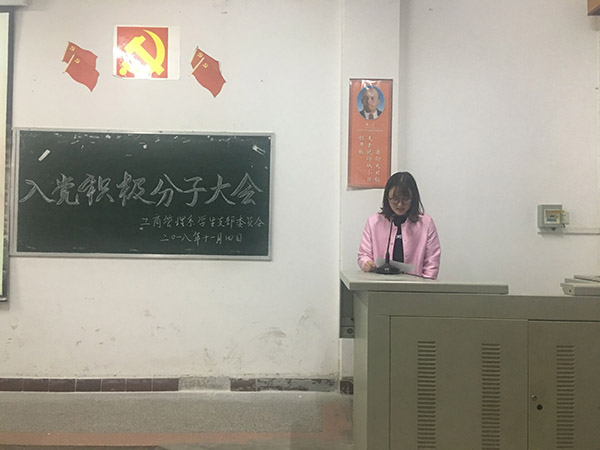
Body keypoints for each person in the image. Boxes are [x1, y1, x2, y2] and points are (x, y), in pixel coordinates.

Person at [357, 171, 441, 279]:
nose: (400, 204)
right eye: (395, 199)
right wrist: (366, 263)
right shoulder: (374, 222)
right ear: (387, 198)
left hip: (415, 286)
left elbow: (432, 262)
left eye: (405, 199)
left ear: (413, 198)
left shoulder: (426, 223)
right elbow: (363, 254)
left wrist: (424, 285)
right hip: (380, 284)